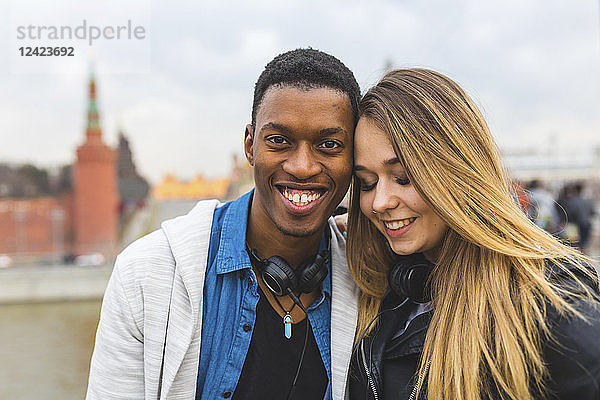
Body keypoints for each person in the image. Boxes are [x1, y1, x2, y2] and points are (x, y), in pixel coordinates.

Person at [86, 48, 361, 400]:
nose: (302, 166)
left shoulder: (370, 275)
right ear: (250, 145)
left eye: (329, 145)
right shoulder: (146, 276)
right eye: (278, 141)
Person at [346, 69, 600, 400]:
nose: (379, 202)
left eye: (403, 177)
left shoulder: (550, 309)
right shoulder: (384, 286)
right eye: (367, 183)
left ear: (457, 172)